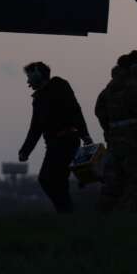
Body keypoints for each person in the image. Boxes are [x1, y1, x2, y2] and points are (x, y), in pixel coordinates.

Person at [18, 61, 92, 213]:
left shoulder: (60, 86)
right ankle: (67, 214)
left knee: (46, 179)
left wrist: (85, 135)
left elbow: (75, 110)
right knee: (58, 182)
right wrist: (25, 150)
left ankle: (65, 212)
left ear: (38, 73)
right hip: (54, 144)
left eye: (29, 76)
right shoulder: (38, 99)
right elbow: (36, 127)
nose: (28, 82)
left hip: (66, 142)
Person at [95, 50, 137, 212]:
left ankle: (104, 222)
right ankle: (133, 223)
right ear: (136, 67)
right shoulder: (136, 86)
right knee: (135, 185)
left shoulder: (109, 88)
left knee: (111, 186)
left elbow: (99, 111)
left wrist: (111, 132)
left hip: (115, 143)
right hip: (135, 144)